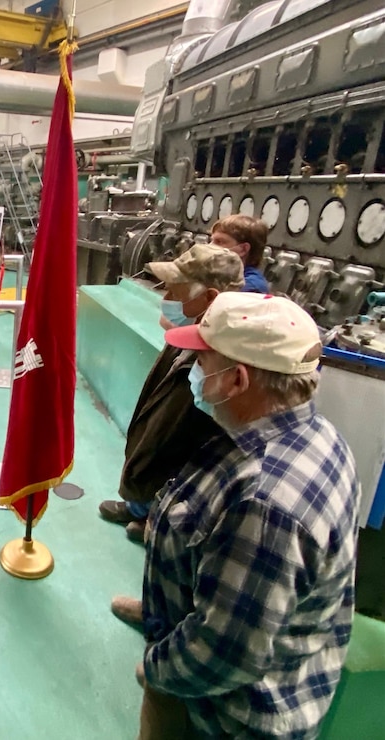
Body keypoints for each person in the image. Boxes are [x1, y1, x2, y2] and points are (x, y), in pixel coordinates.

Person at [136, 292, 359, 740]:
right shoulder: (316, 434)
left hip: (226, 718)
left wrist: (155, 670)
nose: (194, 372)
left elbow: (224, 651)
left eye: (201, 362)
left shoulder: (264, 506)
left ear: (236, 379)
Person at [99, 244, 243, 545]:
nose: (166, 300)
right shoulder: (187, 335)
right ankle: (141, 506)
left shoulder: (219, 367)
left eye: (175, 293)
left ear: (210, 298)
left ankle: (154, 516)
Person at [209, 214, 269, 293]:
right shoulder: (224, 276)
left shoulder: (250, 288)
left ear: (243, 249)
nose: (209, 246)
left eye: (219, 242)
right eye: (211, 241)